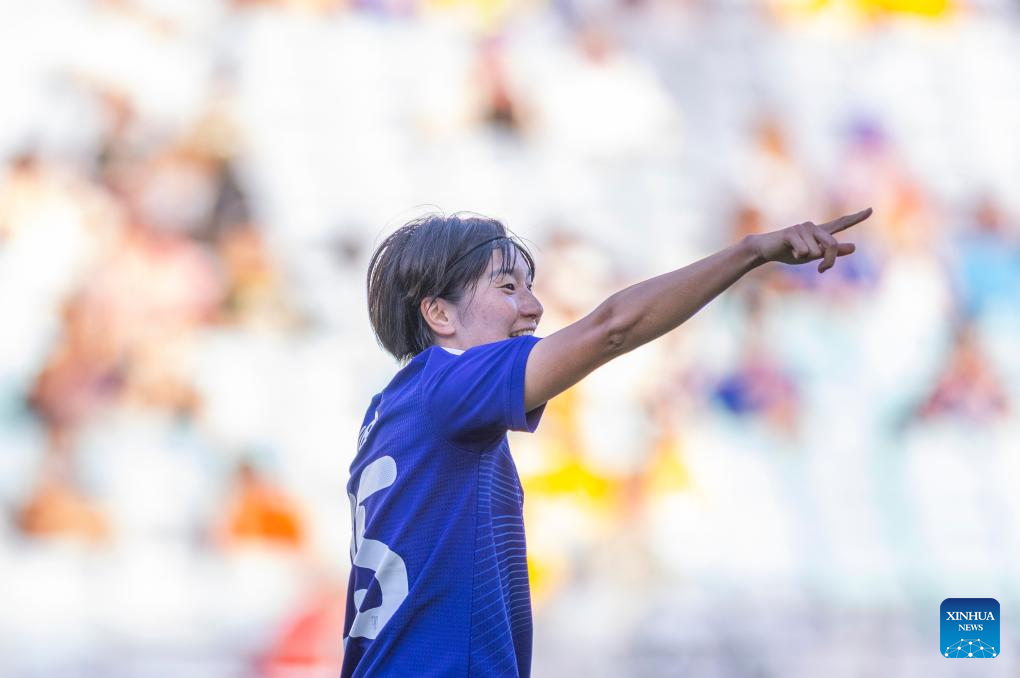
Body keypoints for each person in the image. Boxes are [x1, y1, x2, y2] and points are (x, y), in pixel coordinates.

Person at [342, 208, 872, 677]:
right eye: (507, 287)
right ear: (439, 314)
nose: (534, 307)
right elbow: (612, 329)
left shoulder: (392, 412)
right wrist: (750, 253)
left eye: (529, 286)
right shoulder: (446, 387)